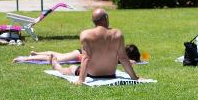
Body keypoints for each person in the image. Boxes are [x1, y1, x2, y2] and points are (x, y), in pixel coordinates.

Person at [54, 9, 138, 84]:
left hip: (92, 75)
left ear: (94, 21)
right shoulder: (117, 34)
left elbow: (86, 58)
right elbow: (123, 58)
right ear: (106, 18)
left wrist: (81, 80)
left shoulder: (86, 34)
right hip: (110, 74)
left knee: (71, 69)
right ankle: (56, 66)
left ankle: (57, 67)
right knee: (72, 68)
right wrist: (134, 77)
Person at [13, 44, 141, 64]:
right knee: (58, 58)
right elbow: (130, 62)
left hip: (82, 52)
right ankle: (25, 58)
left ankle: (36, 53)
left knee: (59, 54)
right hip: (82, 54)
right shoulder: (119, 57)